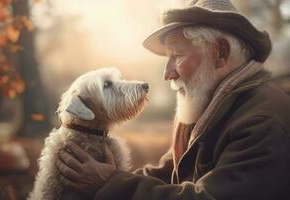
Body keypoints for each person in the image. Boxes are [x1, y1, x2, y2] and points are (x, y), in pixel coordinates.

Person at [55, 0, 290, 199]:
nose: (167, 73)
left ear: (221, 53)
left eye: (176, 56)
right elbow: (166, 175)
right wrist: (105, 177)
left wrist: (110, 184)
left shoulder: (262, 123)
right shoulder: (212, 108)